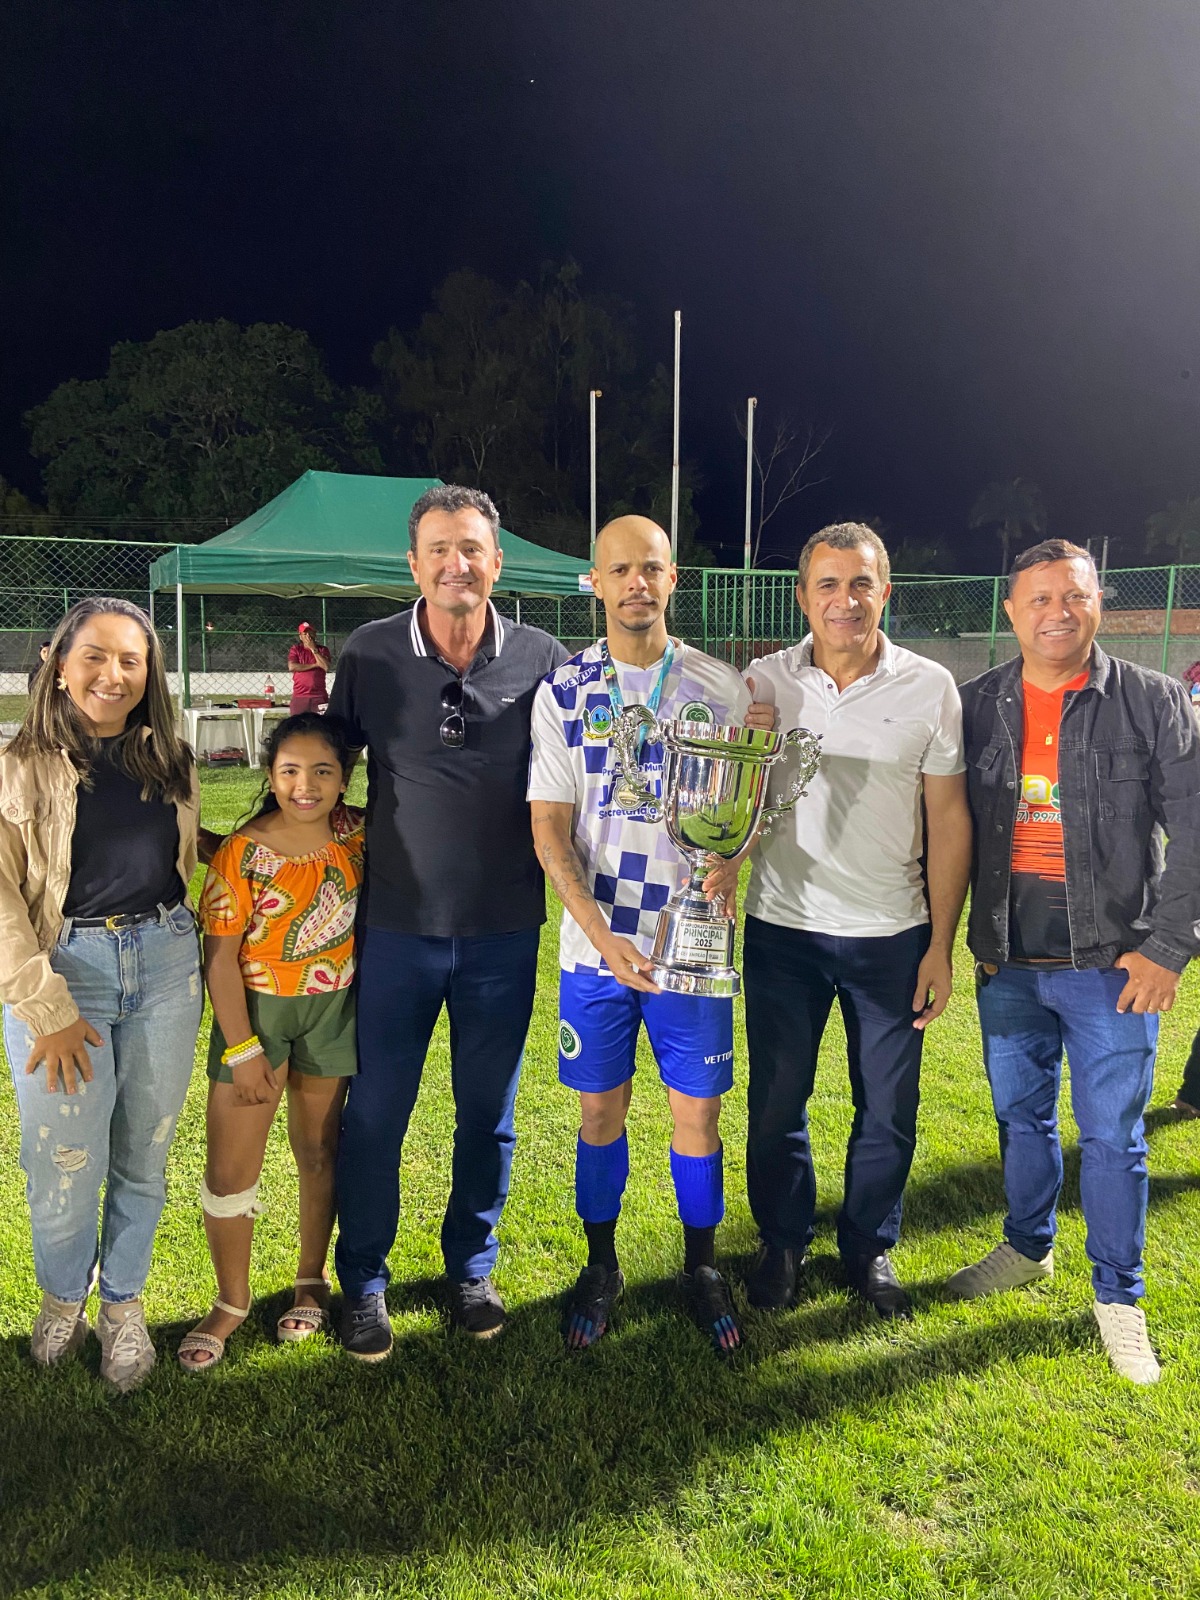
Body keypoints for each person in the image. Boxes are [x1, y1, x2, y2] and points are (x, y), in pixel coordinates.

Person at [947, 539, 1200, 1383]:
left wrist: (1167, 950)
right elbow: (946, 826)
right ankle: (1028, 1247)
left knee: (1114, 1138)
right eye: (1040, 598)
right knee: (1021, 1120)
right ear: (1011, 611)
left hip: (1111, 970)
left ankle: (1119, 1297)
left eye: (1075, 596)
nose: (1058, 612)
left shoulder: (1153, 702)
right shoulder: (977, 703)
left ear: (1098, 603)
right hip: (1009, 965)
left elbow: (1196, 831)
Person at [327, 484, 568, 1359]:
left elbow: (584, 773)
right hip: (395, 930)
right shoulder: (370, 651)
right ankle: (364, 1281)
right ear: (414, 563)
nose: (455, 564)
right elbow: (323, 764)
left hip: (504, 931)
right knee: (375, 1114)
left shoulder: (544, 657)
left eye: (471, 548)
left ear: (497, 561)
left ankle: (471, 1266)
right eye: (439, 549)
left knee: (487, 1116)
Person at [707, 522, 971, 1319]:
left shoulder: (930, 686)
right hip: (783, 931)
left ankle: (868, 1246)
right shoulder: (764, 681)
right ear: (803, 596)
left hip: (892, 934)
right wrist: (740, 787)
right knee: (776, 1102)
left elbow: (949, 817)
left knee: (887, 1108)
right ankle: (782, 1241)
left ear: (884, 591)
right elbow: (731, 801)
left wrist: (941, 944)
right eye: (828, 584)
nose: (844, 600)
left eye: (860, 584)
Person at [529, 514, 751, 1354]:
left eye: (650, 568)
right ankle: (602, 1265)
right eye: (619, 570)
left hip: (689, 946)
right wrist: (599, 933)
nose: (636, 583)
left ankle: (701, 1266)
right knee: (599, 1114)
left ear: (673, 577)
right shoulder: (563, 690)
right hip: (597, 950)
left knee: (699, 1117)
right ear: (595, 582)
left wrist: (733, 863)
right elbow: (550, 828)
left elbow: (743, 810)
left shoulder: (719, 686)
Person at [0, 597, 203, 1391]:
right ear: (60, 664)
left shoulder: (170, 759)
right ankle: (63, 1299)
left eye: (130, 660)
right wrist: (46, 1010)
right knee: (64, 1161)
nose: (112, 675)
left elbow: (171, 854)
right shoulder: (17, 766)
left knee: (143, 1156)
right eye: (95, 656)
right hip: (65, 972)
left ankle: (122, 1305)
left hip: (165, 966)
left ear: (149, 672)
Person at [178, 713, 364, 1370]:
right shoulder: (241, 854)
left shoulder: (356, 834)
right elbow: (220, 961)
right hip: (254, 1020)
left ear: (344, 780)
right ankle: (231, 1299)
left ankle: (312, 1279)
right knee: (232, 1169)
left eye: (322, 771)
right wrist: (243, 1049)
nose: (305, 786)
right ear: (270, 775)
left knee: (318, 1151)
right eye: (290, 771)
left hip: (331, 1013)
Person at [287, 622, 332, 714]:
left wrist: (313, 649)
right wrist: (315, 665)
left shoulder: (322, 650)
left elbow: (326, 666)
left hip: (319, 696)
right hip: (300, 696)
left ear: (314, 634)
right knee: (298, 722)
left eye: (310, 633)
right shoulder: (296, 649)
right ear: (300, 636)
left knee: (320, 722)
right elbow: (292, 666)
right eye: (305, 634)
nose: (308, 636)